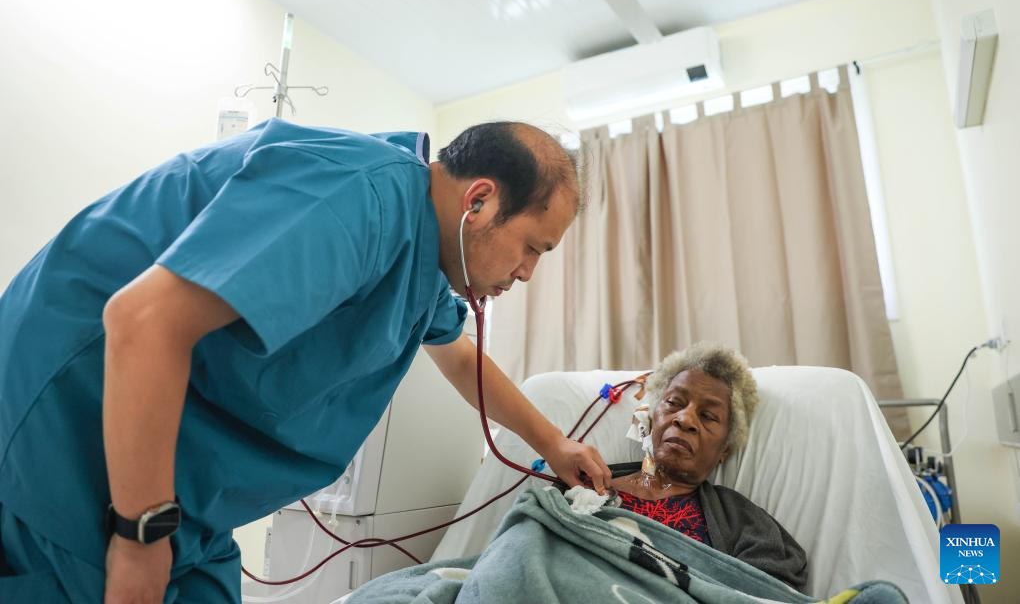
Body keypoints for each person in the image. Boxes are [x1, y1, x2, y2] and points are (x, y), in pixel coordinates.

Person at [0, 118, 613, 603]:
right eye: (532, 247)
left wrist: (554, 443)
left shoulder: (423, 260)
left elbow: (458, 358)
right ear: (478, 200)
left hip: (187, 490)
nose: (528, 273)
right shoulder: (359, 195)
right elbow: (143, 322)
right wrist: (140, 538)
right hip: (72, 434)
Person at [610, 342, 809, 591]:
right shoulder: (586, 483)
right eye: (674, 402)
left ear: (724, 449)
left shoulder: (742, 523)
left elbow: (770, 590)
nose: (685, 419)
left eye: (708, 416)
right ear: (651, 419)